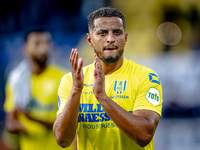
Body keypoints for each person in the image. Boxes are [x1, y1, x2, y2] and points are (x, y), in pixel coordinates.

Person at [53, 7, 163, 150]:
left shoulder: (146, 77)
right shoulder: (72, 81)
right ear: (90, 39)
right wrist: (76, 90)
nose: (110, 39)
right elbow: (62, 140)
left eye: (117, 32)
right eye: (102, 33)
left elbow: (144, 135)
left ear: (126, 38)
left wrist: (101, 97)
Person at [3, 26, 76, 150]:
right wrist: (16, 127)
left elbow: (68, 124)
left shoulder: (64, 78)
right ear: (25, 49)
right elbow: (10, 122)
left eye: (47, 43)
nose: (43, 48)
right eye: (37, 43)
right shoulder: (16, 79)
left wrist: (31, 118)